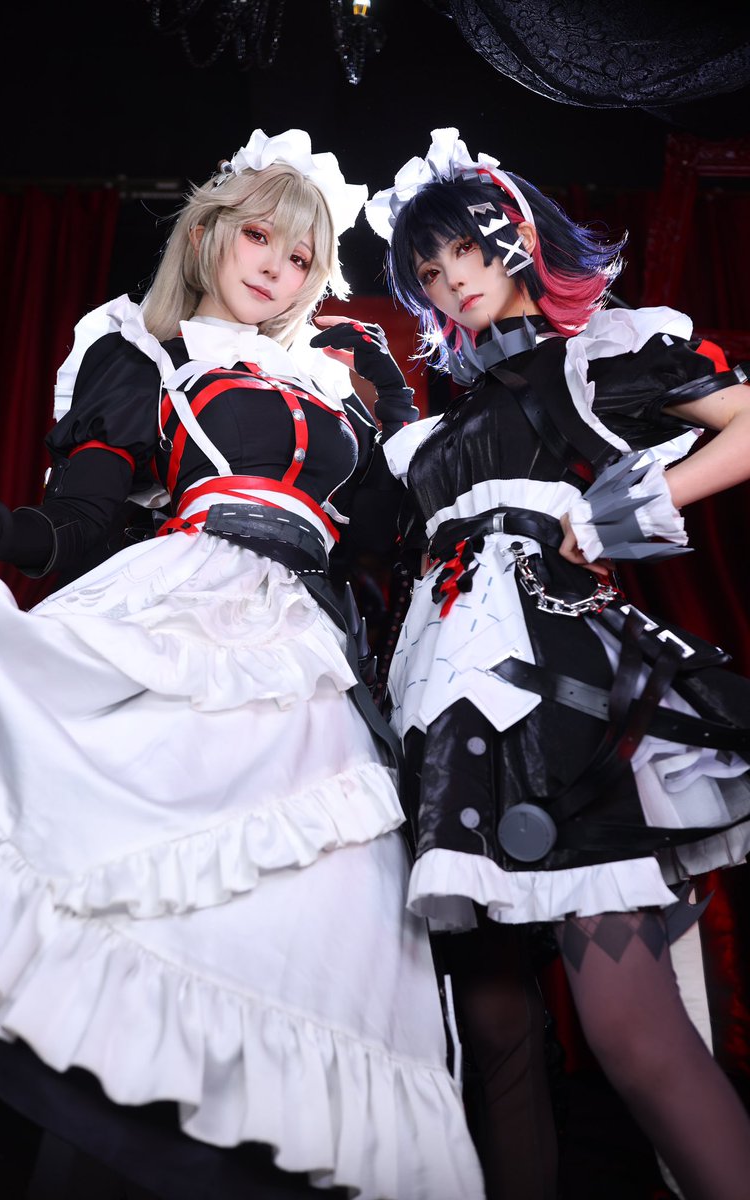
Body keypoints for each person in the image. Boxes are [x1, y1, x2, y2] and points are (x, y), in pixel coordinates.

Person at [0, 128, 486, 1200]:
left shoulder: (339, 378)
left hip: (308, 661)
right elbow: (81, 526)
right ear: (206, 234)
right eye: (258, 238)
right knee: (144, 910)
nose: (276, 269)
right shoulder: (142, 354)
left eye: (301, 257)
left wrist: (410, 413)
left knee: (311, 930)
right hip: (176, 614)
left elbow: (396, 532)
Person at [357, 127, 750, 1200]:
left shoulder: (593, 358)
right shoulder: (438, 422)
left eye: (463, 252)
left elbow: (744, 419)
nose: (450, 280)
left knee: (627, 1030)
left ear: (515, 238)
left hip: (556, 688)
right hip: (440, 707)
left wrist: (626, 510)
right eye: (428, 270)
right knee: (489, 1027)